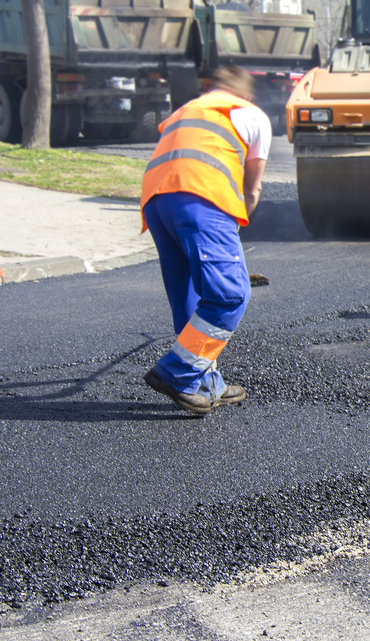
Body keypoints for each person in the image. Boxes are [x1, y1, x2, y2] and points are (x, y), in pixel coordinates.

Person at [140, 65, 272, 414]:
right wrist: (232, 229)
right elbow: (251, 188)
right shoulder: (252, 114)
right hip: (202, 197)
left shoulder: (186, 110)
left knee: (189, 294)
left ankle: (205, 382)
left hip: (156, 200)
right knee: (230, 294)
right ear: (245, 95)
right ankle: (176, 372)